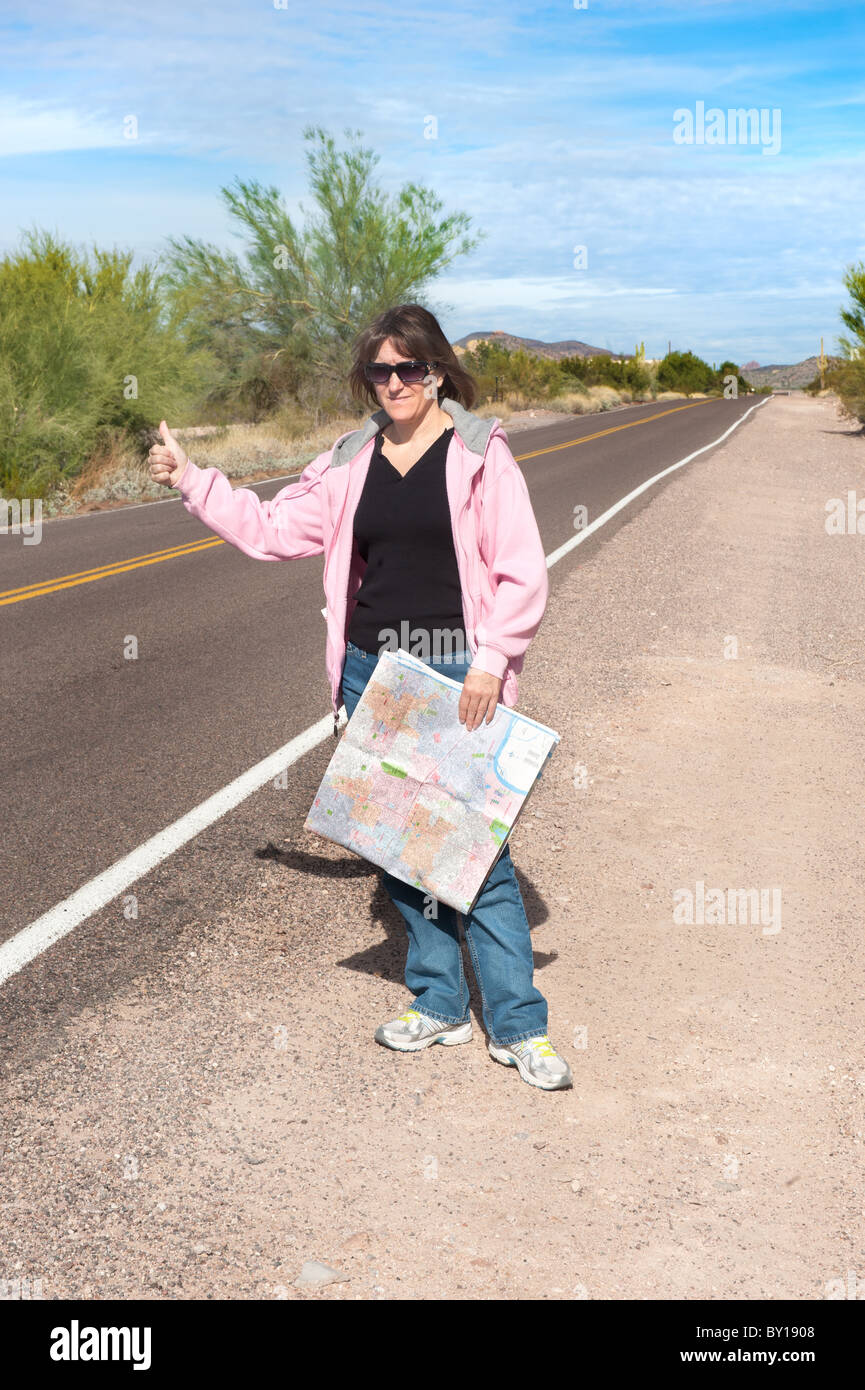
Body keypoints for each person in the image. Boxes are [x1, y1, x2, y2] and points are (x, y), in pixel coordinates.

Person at [149, 303, 572, 1091]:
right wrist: (192, 480)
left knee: (478, 855)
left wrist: (490, 662)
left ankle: (519, 1024)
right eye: (379, 370)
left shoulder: (479, 453)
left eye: (409, 367)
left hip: (456, 670)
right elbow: (271, 530)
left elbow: (522, 571)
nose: (395, 382)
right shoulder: (349, 460)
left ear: (436, 370)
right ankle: (440, 1003)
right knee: (402, 848)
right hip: (373, 670)